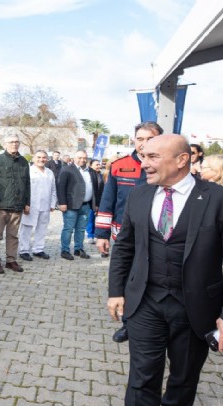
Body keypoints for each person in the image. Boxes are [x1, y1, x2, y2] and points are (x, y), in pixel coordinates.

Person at [107, 134, 223, 406]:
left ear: (182, 159)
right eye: (143, 155)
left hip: (195, 308)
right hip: (145, 303)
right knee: (141, 377)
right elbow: (124, 247)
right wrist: (116, 291)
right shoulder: (139, 195)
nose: (144, 163)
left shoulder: (221, 199)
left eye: (153, 157)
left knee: (184, 378)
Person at [96, 121, 163, 343]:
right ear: (133, 140)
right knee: (126, 279)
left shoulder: (166, 166)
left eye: (150, 139)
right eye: (140, 139)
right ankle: (128, 323)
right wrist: (101, 235)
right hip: (124, 238)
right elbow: (108, 201)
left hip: (158, 237)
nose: (144, 144)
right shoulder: (119, 165)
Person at [0, 134, 30, 274]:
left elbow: (27, 183)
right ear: (5, 144)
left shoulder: (23, 162)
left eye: (17, 142)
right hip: (1, 206)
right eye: (11, 142)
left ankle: (11, 261)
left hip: (18, 206)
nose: (14, 144)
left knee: (13, 236)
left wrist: (27, 202)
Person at [57, 150, 98, 260]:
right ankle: (65, 250)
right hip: (71, 206)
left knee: (81, 230)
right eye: (79, 157)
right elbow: (61, 187)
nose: (82, 160)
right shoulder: (67, 169)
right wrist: (62, 203)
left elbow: (95, 189)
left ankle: (78, 249)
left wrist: (95, 204)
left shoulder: (91, 171)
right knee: (68, 229)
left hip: (85, 206)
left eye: (84, 158)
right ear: (74, 158)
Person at [18, 150, 56, 261]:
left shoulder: (49, 172)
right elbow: (23, 189)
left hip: (45, 205)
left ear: (47, 159)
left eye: (44, 157)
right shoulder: (28, 171)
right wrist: (25, 204)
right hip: (30, 206)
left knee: (42, 228)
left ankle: (38, 249)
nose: (41, 159)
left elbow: (53, 189)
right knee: (26, 228)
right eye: (38, 157)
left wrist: (53, 203)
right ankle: (23, 250)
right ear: (33, 158)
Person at [85, 159, 104, 243]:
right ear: (90, 165)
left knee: (99, 219)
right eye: (96, 164)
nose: (98, 166)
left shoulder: (101, 175)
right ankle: (90, 235)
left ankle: (96, 234)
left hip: (101, 200)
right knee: (91, 218)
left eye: (99, 164)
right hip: (92, 201)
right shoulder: (89, 174)